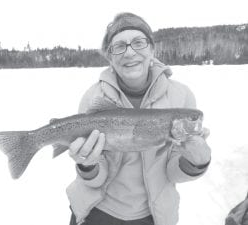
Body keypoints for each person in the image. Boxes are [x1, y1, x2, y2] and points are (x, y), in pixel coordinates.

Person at [66, 12, 211, 225]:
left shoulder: (181, 96)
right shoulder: (93, 97)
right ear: (110, 57)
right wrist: (88, 166)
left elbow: (172, 174)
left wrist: (196, 160)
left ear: (152, 49)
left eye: (138, 42)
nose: (130, 52)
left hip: (153, 216)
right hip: (95, 211)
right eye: (119, 46)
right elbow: (96, 176)